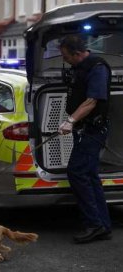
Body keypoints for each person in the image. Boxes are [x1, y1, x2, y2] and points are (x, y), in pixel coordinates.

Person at [58, 35, 112, 244]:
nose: (65, 61)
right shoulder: (81, 67)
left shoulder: (97, 67)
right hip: (84, 129)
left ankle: (94, 224)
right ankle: (102, 224)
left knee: (78, 171)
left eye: (66, 57)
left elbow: (92, 101)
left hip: (92, 129)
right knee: (89, 174)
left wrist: (70, 120)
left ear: (78, 53)